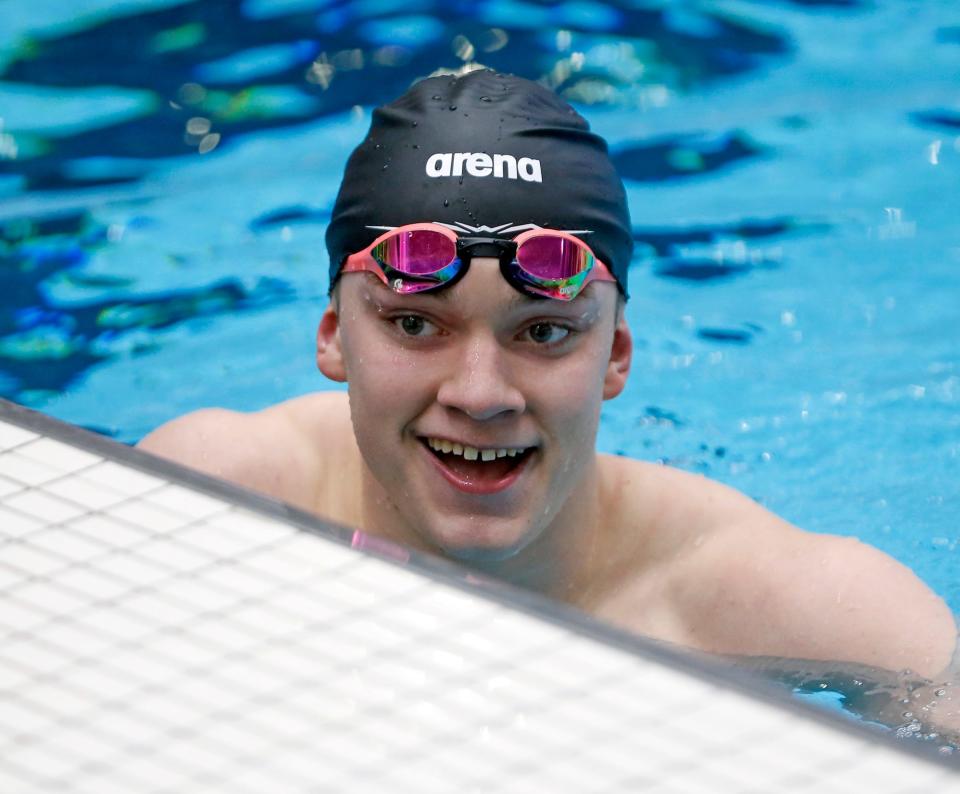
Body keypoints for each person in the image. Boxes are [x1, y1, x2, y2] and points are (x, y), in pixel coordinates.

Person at [139, 69, 956, 686]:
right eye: (416, 324)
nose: (480, 392)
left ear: (618, 357)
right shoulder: (207, 499)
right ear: (333, 340)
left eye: (544, 332)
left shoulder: (785, 605)